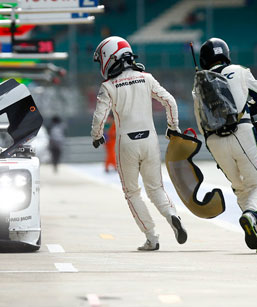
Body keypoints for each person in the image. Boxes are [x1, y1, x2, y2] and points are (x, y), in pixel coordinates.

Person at [90, 36, 187, 251]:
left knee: (132, 193)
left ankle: (152, 237)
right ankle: (173, 215)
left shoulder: (108, 86)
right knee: (156, 189)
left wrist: (96, 136)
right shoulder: (146, 78)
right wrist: (173, 127)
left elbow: (99, 117)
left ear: (108, 56)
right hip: (150, 139)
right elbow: (170, 101)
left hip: (126, 142)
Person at [194, 38, 257, 253]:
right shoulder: (239, 70)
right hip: (242, 131)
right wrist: (246, 105)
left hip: (214, 140)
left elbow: (200, 121)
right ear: (225, 54)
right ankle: (251, 216)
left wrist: (213, 147)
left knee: (240, 189)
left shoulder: (199, 83)